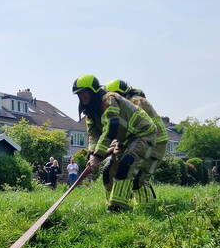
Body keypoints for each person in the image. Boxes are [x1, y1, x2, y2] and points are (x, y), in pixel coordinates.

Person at [72, 74, 158, 212]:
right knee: (108, 171)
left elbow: (111, 128)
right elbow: (93, 135)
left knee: (127, 163)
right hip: (125, 140)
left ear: (93, 90)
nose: (83, 97)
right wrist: (92, 155)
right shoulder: (90, 113)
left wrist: (99, 155)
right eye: (79, 94)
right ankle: (113, 203)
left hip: (143, 133)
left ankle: (118, 207)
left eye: (85, 92)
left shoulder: (109, 99)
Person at [105, 79, 169, 204]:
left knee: (139, 176)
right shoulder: (122, 106)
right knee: (110, 170)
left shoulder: (136, 102)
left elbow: (135, 127)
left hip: (155, 143)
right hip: (134, 142)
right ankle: (115, 204)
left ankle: (146, 208)